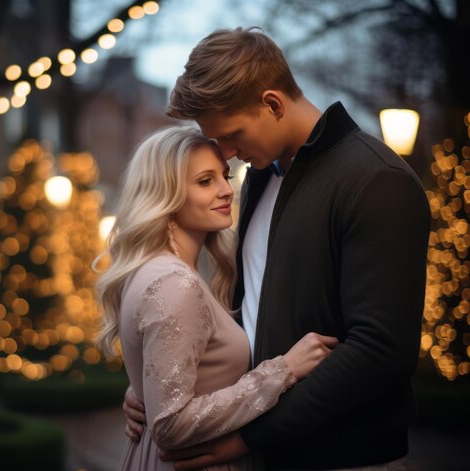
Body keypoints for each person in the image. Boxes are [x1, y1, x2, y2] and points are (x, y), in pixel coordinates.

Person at [122, 27, 431, 470]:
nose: (224, 154)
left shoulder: (377, 180)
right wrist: (161, 380)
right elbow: (251, 314)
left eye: (231, 135)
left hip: (342, 459)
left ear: (272, 103)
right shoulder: (261, 178)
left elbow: (382, 352)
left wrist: (249, 438)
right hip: (266, 455)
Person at [95, 125, 339, 470]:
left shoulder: (159, 271)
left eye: (224, 177)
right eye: (205, 181)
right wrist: (284, 370)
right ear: (165, 193)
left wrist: (147, 391)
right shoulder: (173, 282)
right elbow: (171, 425)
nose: (227, 190)